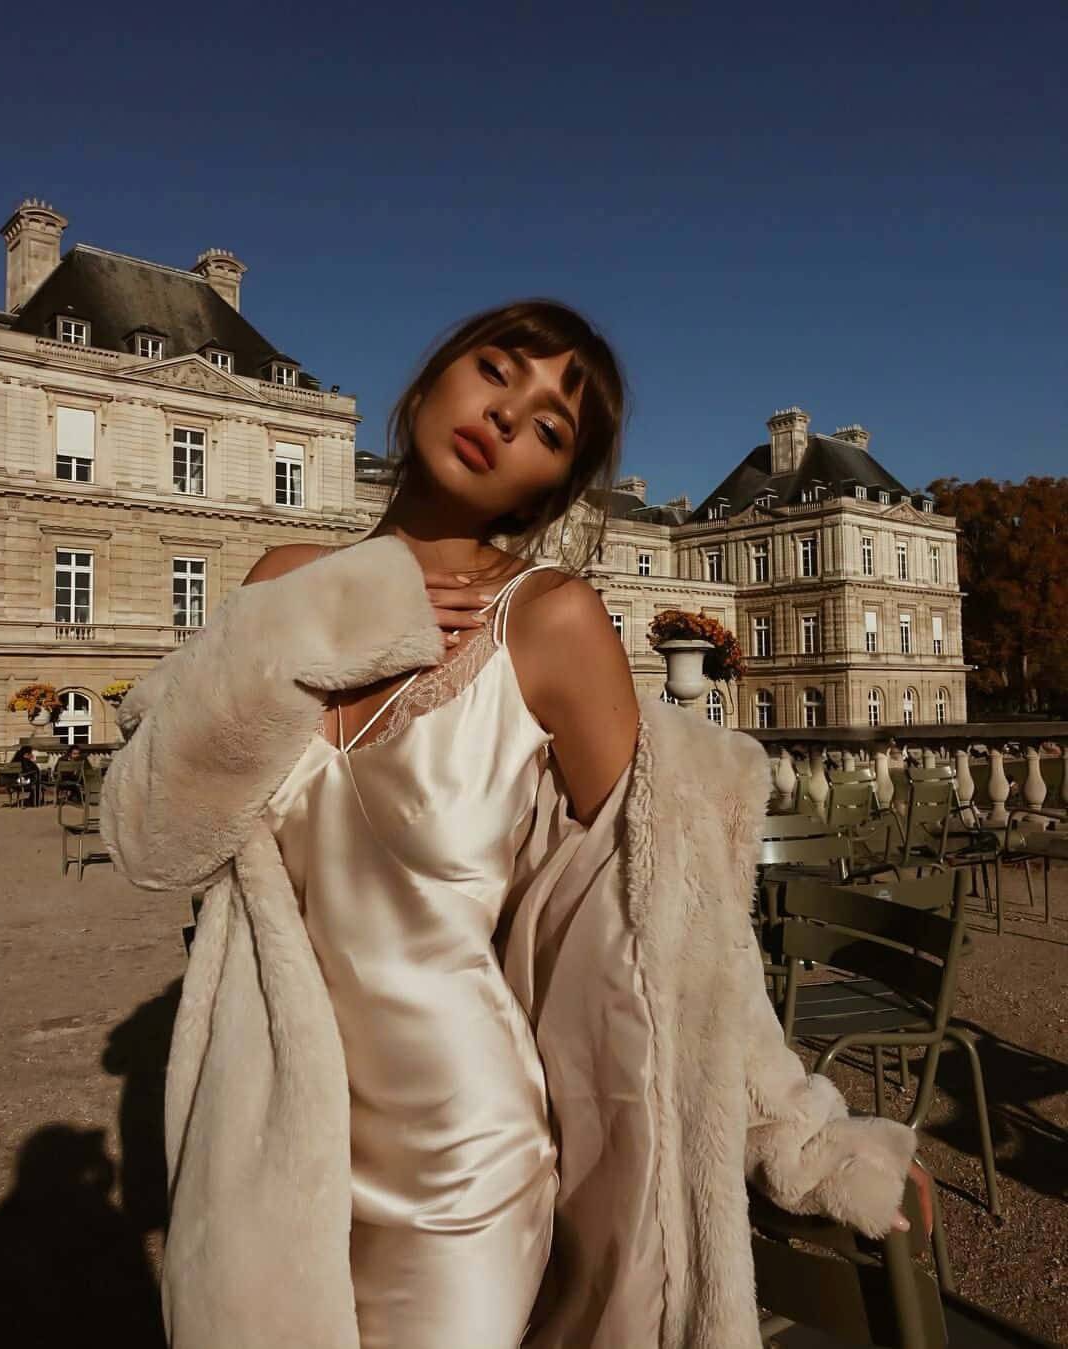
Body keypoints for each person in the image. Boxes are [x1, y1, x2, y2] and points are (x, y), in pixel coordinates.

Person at [102, 300, 925, 1349]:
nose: (506, 418)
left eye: (549, 428)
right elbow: (152, 839)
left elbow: (670, 911)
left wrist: (804, 1139)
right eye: (496, 371)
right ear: (430, 377)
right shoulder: (282, 587)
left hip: (463, 1163)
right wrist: (308, 632)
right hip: (265, 1147)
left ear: (555, 484)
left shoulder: (549, 621)